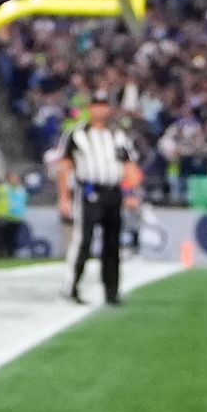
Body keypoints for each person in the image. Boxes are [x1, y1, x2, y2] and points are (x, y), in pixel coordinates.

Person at [65, 103, 131, 306]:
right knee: (84, 240)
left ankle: (112, 291)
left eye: (104, 106)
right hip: (89, 191)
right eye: (96, 106)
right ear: (90, 109)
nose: (100, 111)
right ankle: (73, 286)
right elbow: (65, 165)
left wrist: (130, 191)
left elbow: (128, 164)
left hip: (113, 191)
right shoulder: (77, 134)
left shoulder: (117, 135)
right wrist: (64, 197)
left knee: (112, 243)